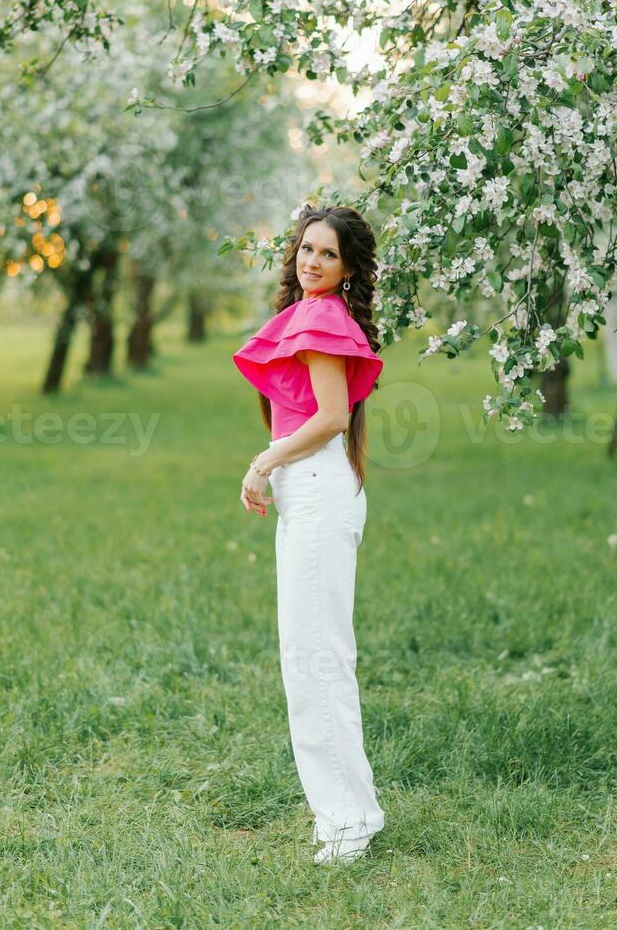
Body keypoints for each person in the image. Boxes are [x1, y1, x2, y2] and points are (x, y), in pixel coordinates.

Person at [232, 204, 385, 865]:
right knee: (315, 656)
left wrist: (264, 461)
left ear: (348, 268)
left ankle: (347, 822)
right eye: (304, 248)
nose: (311, 260)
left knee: (314, 659)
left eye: (327, 253)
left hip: (316, 486)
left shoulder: (323, 317)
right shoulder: (314, 315)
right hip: (316, 490)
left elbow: (327, 417)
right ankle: (349, 813)